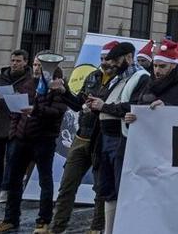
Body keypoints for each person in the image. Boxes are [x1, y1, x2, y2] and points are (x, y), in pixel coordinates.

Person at [0, 54, 71, 234]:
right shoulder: (27, 84)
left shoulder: (57, 87)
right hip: (21, 138)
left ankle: (43, 221)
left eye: (39, 65)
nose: (36, 68)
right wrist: (13, 133)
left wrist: (36, 110)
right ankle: (10, 219)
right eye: (34, 64)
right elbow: (15, 111)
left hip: (43, 139)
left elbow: (58, 111)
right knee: (14, 180)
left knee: (45, 181)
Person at [51, 42, 117, 234]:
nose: (104, 63)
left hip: (102, 139)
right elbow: (79, 103)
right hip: (82, 137)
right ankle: (57, 228)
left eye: (108, 59)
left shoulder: (121, 81)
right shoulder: (93, 76)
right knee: (67, 185)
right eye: (102, 59)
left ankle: (95, 229)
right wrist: (64, 93)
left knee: (100, 190)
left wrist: (99, 106)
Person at [86, 41, 150, 233]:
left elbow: (133, 106)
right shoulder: (117, 78)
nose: (111, 64)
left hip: (121, 139)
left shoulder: (141, 78)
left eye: (116, 60)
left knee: (121, 187)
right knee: (108, 188)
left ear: (129, 58)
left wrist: (103, 107)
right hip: (106, 139)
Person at [0, 49, 34, 204]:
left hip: (16, 123)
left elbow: (34, 101)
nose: (14, 64)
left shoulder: (29, 80)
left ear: (25, 62)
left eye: (18, 61)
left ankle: (6, 188)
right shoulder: (1, 77)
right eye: (12, 61)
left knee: (12, 158)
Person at [130, 40, 178, 113]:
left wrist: (166, 108)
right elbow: (139, 106)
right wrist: (134, 116)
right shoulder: (150, 83)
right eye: (155, 66)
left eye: (162, 66)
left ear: (173, 65)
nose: (157, 70)